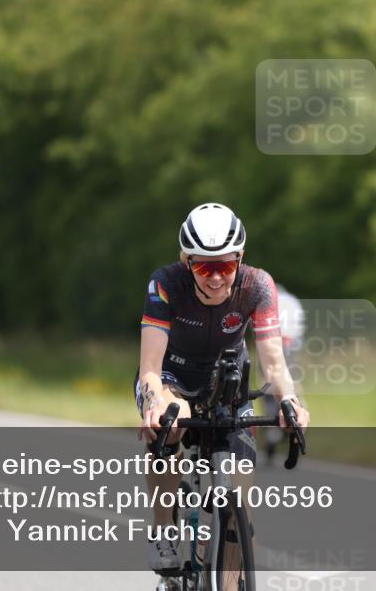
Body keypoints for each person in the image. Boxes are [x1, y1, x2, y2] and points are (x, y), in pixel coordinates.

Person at [135, 203, 311, 574]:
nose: (216, 277)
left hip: (227, 384)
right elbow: (150, 369)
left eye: (225, 266)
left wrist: (290, 402)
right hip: (172, 380)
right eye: (204, 266)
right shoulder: (165, 284)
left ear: (240, 259)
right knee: (173, 419)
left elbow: (274, 365)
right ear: (186, 261)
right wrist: (155, 403)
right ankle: (164, 529)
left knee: (240, 517)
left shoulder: (257, 286)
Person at [261, 284, 305, 464]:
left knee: (276, 394)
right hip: (282, 349)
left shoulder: (271, 301)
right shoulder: (290, 301)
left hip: (273, 347)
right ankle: (277, 436)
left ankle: (275, 435)